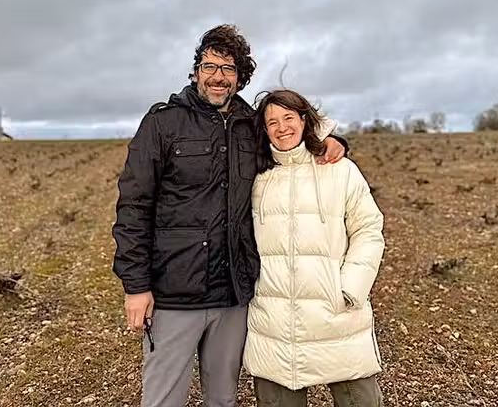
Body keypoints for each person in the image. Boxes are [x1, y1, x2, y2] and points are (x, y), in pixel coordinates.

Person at [112, 26, 347, 407]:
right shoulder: (162, 123)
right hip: (175, 293)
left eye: (229, 68)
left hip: (233, 295)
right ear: (195, 71)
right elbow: (134, 207)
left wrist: (335, 143)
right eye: (210, 66)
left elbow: (293, 138)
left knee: (223, 400)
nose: (218, 76)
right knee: (162, 400)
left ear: (240, 77)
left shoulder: (251, 126)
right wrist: (136, 286)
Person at [243, 89, 385, 407]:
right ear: (263, 130)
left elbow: (368, 230)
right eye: (272, 122)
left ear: (305, 119)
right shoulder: (254, 176)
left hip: (337, 315)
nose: (281, 128)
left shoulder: (340, 169)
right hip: (274, 322)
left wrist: (350, 287)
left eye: (289, 118)